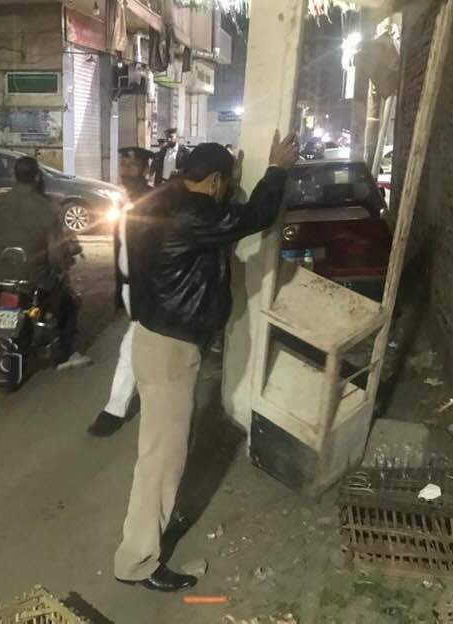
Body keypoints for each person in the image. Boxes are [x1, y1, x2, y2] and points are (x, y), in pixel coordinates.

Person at [114, 136, 299, 592]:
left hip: (153, 338)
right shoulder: (194, 214)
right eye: (226, 184)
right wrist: (276, 170)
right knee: (162, 459)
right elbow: (255, 216)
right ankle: (138, 561)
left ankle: (149, 535)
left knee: (159, 451)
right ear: (214, 181)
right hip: (170, 350)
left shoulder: (160, 200)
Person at [0, 156, 89, 368]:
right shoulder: (47, 207)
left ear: (14, 176)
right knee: (69, 302)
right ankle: (67, 354)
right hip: (33, 276)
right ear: (37, 177)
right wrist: (59, 269)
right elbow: (55, 251)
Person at [88, 147, 154, 437]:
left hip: (147, 288)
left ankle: (114, 410)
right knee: (141, 344)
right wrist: (119, 292)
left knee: (130, 348)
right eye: (123, 164)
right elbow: (121, 251)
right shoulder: (121, 201)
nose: (126, 169)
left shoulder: (153, 202)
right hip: (130, 287)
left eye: (134, 165)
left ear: (146, 170)